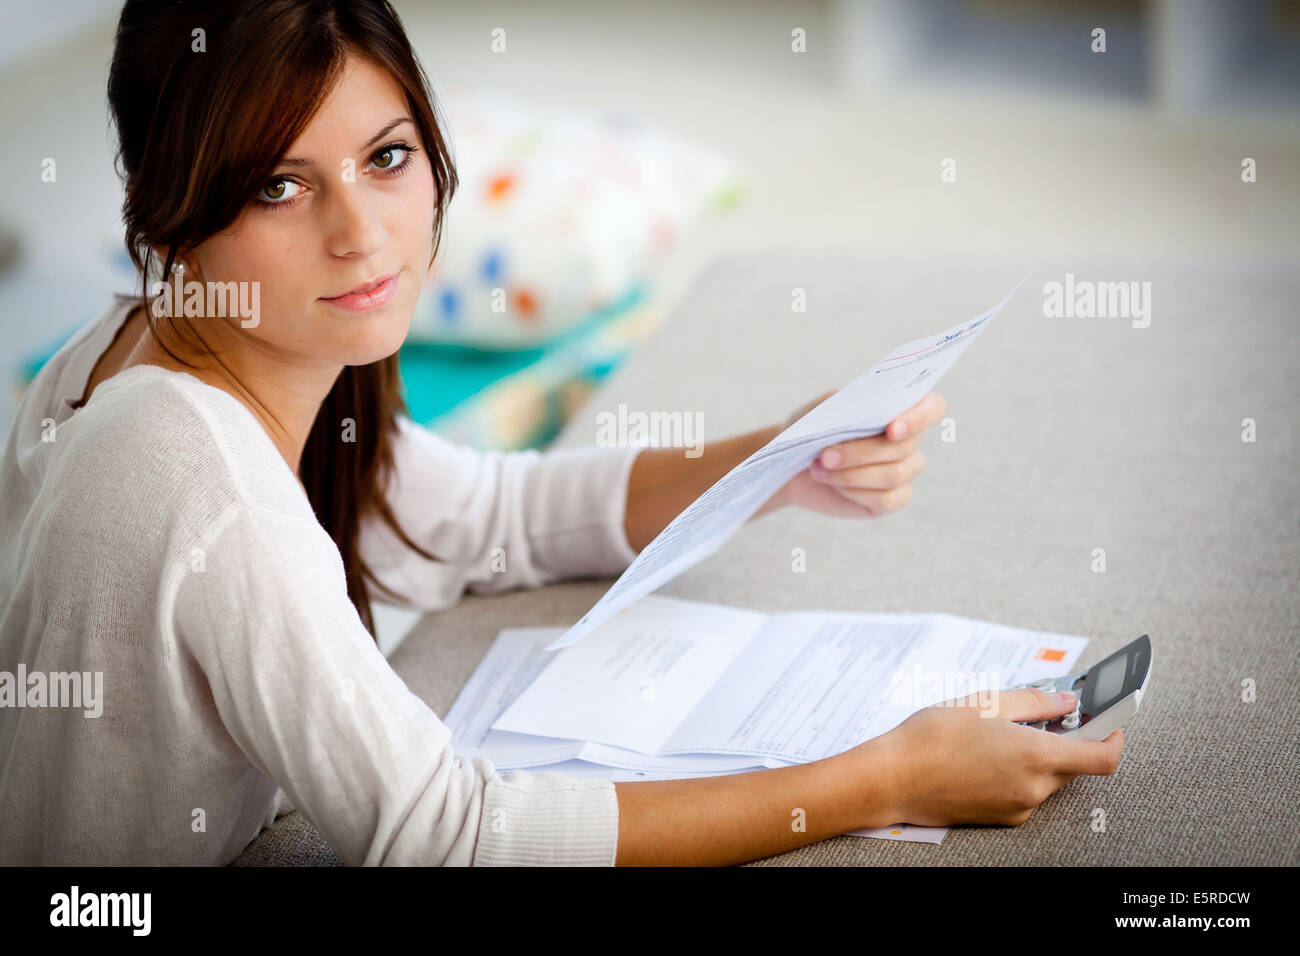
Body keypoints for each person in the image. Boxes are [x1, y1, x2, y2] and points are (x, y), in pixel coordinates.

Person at [0, 0, 1123, 866]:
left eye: (387, 159)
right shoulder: (194, 469)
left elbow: (490, 517)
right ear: (166, 209)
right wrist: (885, 776)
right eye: (278, 189)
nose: (361, 234)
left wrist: (781, 454)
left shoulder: (178, 331)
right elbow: (445, 837)